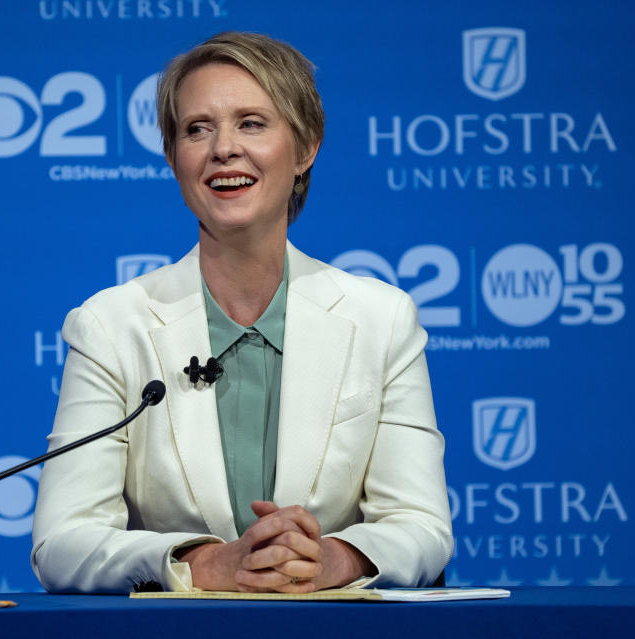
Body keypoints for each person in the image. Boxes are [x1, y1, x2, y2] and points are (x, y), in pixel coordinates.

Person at [31, 31, 452, 593]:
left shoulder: (381, 319)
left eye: (252, 123)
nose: (222, 148)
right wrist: (202, 564)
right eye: (196, 129)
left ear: (306, 149)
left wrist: (334, 558)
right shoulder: (113, 326)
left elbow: (422, 527)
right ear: (175, 160)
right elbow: (61, 543)